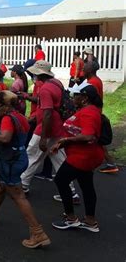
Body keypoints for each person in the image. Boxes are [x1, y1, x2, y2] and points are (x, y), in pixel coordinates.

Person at [0, 90, 51, 249]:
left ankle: (38, 233)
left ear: (6, 105)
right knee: (0, 186)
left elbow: (6, 138)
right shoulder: (20, 116)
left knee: (18, 196)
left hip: (9, 161)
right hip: (18, 157)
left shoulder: (8, 119)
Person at [20, 61, 79, 201]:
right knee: (59, 159)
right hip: (57, 126)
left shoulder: (45, 89)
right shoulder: (56, 83)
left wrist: (43, 138)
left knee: (32, 155)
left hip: (46, 128)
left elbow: (47, 114)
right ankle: (70, 191)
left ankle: (22, 185)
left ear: (39, 74)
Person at [51, 83, 104, 233]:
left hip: (82, 156)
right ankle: (90, 221)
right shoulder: (86, 110)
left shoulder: (89, 112)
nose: (73, 98)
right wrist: (62, 144)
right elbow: (77, 132)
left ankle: (71, 218)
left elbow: (88, 135)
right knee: (86, 186)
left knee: (61, 180)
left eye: (76, 95)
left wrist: (65, 141)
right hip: (82, 155)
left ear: (85, 98)